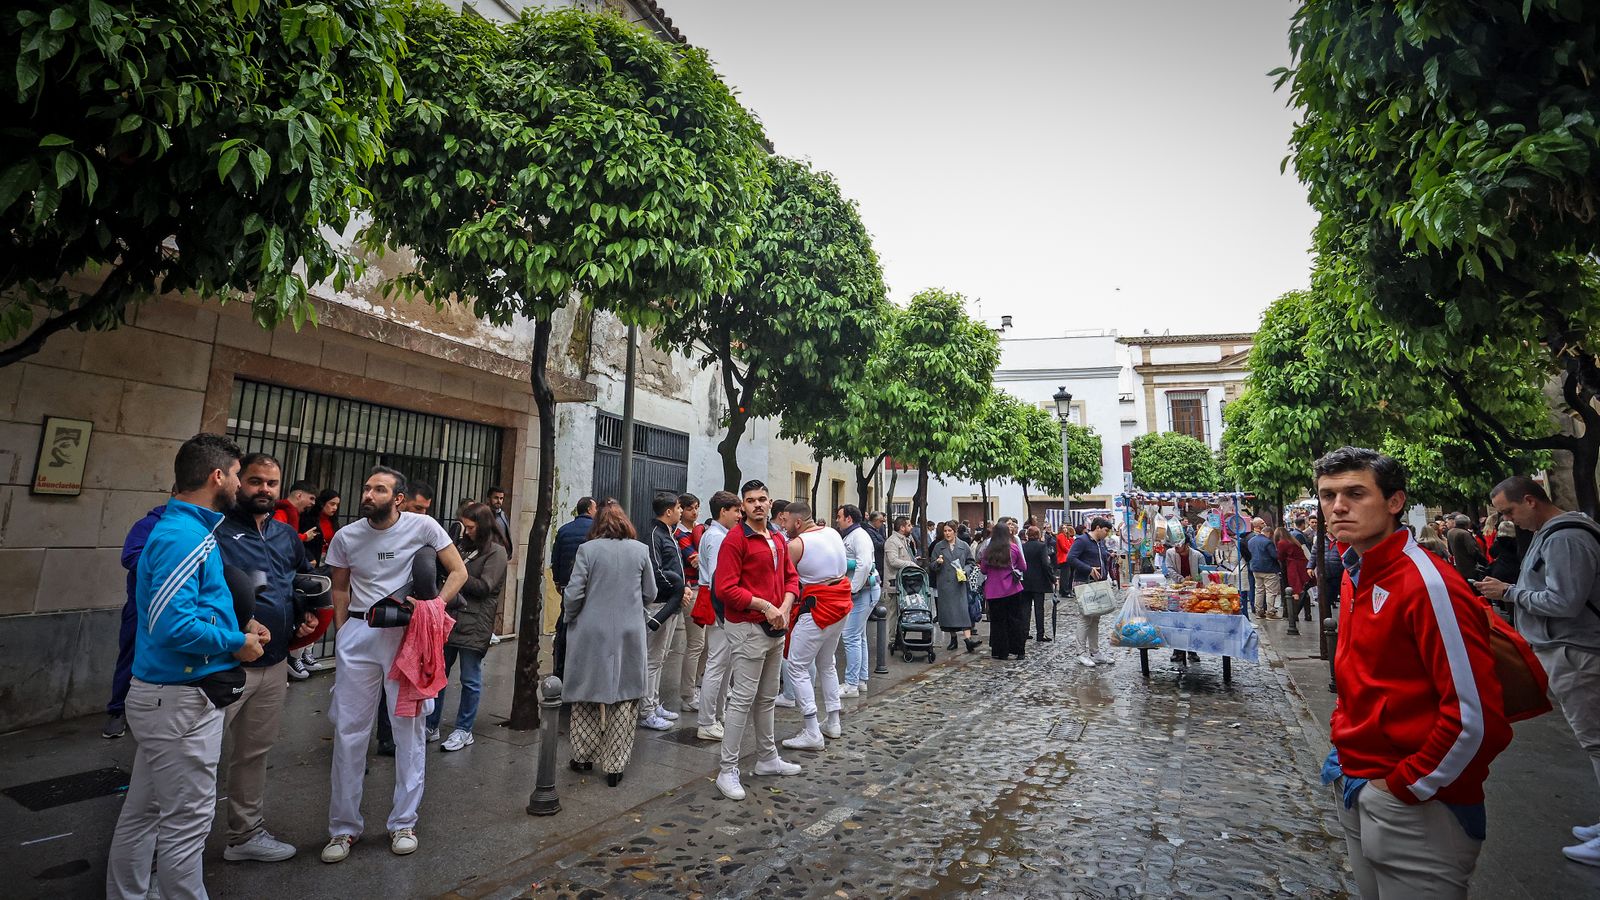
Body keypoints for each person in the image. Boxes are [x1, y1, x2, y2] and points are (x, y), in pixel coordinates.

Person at [1315, 447, 1511, 898]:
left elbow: (1476, 717)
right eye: (1328, 495)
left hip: (1417, 803)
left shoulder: (1427, 583)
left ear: (1395, 501)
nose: (1337, 506)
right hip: (1357, 779)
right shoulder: (1355, 571)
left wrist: (1402, 785)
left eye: (1355, 493)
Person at [106, 434, 266, 900]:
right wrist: (238, 643)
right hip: (181, 700)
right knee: (187, 824)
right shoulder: (184, 535)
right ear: (218, 476)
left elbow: (187, 607)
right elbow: (171, 625)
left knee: (144, 814)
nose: (239, 483)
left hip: (170, 697)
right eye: (237, 474)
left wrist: (241, 624)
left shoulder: (192, 531)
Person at [321, 466, 467, 864]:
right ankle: (342, 829)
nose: (368, 494)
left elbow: (458, 571)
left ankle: (404, 822)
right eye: (366, 487)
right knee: (350, 732)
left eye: (379, 489)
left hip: (406, 638)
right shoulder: (346, 536)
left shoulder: (424, 527)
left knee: (409, 729)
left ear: (398, 498)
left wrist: (435, 605)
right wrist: (342, 633)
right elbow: (339, 586)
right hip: (357, 635)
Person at [1475, 476, 1600, 865]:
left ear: (1530, 500)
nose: (1508, 519)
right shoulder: (1556, 533)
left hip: (1576, 650)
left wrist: (1509, 592)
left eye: (1509, 511)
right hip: (1570, 647)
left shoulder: (1564, 537)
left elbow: (1564, 601)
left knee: (1596, 739)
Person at [212, 453, 317, 863]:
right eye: (255, 481)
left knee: (254, 753)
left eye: (272, 483)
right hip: (224, 664)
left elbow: (298, 581)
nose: (264, 490)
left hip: (273, 664)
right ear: (239, 484)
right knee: (195, 760)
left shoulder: (286, 535)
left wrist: (305, 615)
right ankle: (159, 857)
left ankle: (245, 835)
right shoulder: (216, 531)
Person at [712, 480, 803, 801]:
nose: (758, 505)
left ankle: (767, 758)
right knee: (742, 699)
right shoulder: (736, 540)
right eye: (751, 501)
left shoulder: (778, 537)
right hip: (749, 628)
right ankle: (727, 770)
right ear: (743, 507)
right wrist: (765, 606)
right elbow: (725, 589)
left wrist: (785, 607)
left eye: (762, 499)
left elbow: (792, 578)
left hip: (777, 626)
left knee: (767, 698)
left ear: (770, 502)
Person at [560, 503, 654, 786]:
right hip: (629, 632)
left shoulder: (587, 550)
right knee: (625, 697)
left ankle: (583, 756)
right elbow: (651, 591)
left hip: (591, 631)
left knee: (587, 692)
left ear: (596, 524)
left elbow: (574, 592)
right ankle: (615, 766)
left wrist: (570, 617)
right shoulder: (640, 550)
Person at [428, 502, 507, 752]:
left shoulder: (496, 552)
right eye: (464, 526)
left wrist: (458, 576)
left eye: (471, 527)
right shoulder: (461, 546)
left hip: (475, 620)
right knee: (439, 674)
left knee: (470, 678)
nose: (466, 531)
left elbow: (485, 587)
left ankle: (464, 729)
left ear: (482, 527)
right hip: (451, 618)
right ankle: (431, 725)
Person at [780, 501, 852, 750]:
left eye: (786, 521)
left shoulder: (796, 544)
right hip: (841, 604)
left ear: (797, 522)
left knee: (796, 667)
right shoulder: (831, 531)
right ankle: (833, 721)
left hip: (818, 608)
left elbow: (784, 579)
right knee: (826, 663)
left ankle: (812, 730)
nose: (784, 526)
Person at [103, 500, 169, 739]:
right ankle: (117, 710)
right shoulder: (149, 524)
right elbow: (130, 556)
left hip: (177, 607)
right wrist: (169, 564)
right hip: (143, 605)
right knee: (130, 654)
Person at [694, 491, 741, 741]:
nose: (739, 515)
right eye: (736, 511)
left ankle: (717, 714)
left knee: (723, 664)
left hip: (719, 605)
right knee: (717, 663)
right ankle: (706, 721)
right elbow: (717, 578)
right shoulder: (716, 538)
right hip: (719, 606)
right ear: (723, 511)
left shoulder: (717, 535)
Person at [641, 492, 687, 731]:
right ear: (668, 511)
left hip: (672, 603)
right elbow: (656, 572)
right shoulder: (654, 535)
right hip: (660, 604)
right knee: (652, 659)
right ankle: (646, 710)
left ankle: (654, 703)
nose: (681, 511)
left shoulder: (667, 533)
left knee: (660, 658)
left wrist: (682, 589)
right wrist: (678, 589)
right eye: (679, 508)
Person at [551, 497, 597, 681]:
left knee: (565, 622)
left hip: (567, 585)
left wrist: (557, 581)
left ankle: (561, 667)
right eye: (595, 508)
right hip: (589, 587)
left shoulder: (563, 530)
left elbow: (556, 559)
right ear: (588, 509)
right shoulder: (595, 530)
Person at [837, 504, 878, 696]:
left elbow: (864, 564)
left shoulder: (858, 536)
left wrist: (852, 589)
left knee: (850, 636)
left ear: (849, 519)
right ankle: (861, 680)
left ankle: (851, 684)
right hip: (864, 590)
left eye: (839, 516)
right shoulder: (854, 535)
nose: (837, 520)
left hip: (863, 592)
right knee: (858, 636)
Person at [673, 493, 706, 714]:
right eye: (690, 508)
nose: (694, 512)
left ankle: (698, 686)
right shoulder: (680, 534)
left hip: (700, 589)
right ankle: (688, 694)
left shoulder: (700, 531)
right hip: (690, 589)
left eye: (696, 507)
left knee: (705, 644)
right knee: (696, 643)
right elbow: (693, 559)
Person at [1068, 517, 1116, 667]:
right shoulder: (1082, 541)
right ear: (1097, 528)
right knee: (1085, 618)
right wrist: (1089, 569)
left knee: (1095, 618)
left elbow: (1101, 558)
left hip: (1097, 584)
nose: (1107, 534)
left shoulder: (1100, 543)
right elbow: (1071, 558)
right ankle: (1080, 653)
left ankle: (1095, 652)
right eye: (1106, 531)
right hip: (1084, 583)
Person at [981, 519, 1029, 660]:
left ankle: (1001, 651)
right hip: (1012, 590)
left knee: (998, 623)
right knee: (1015, 620)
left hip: (994, 592)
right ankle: (1019, 650)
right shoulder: (1013, 548)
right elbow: (1023, 566)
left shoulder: (988, 551)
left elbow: (983, 570)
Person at [928, 522, 978, 652]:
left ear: (955, 532)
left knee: (963, 612)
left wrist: (965, 571)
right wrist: (937, 563)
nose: (947, 533)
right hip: (945, 584)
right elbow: (931, 566)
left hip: (959, 584)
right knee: (949, 613)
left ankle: (968, 640)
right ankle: (953, 638)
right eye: (945, 531)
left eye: (950, 530)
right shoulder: (939, 547)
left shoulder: (963, 546)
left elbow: (971, 562)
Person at [1021, 525, 1056, 642]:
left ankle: (1025, 632)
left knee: (1026, 608)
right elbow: (1045, 564)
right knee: (1039, 609)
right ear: (1038, 535)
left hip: (1025, 581)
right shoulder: (1041, 546)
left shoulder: (1023, 547)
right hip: (1039, 581)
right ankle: (1040, 634)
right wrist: (1052, 578)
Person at [1246, 517, 1283, 618]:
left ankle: (1259, 611)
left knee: (1259, 590)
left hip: (1255, 569)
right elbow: (1275, 556)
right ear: (1269, 534)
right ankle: (1270, 612)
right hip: (1269, 570)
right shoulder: (1268, 542)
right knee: (1270, 591)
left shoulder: (1251, 540)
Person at [1275, 526, 1311, 623]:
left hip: (1294, 567)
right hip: (1303, 565)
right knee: (1304, 589)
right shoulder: (1293, 540)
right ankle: (1308, 614)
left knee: (1296, 590)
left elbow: (1280, 556)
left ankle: (1294, 615)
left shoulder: (1282, 543)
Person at [884, 515, 916, 614]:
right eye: (909, 525)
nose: (912, 528)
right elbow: (893, 561)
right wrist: (910, 563)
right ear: (902, 528)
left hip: (902, 583)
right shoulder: (892, 541)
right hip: (893, 585)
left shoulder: (904, 540)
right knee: (893, 615)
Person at [1446, 513, 1487, 582]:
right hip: (1470, 567)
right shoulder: (1464, 534)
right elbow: (1473, 551)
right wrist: (1485, 562)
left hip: (1459, 567)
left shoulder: (1450, 532)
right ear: (1467, 524)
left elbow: (1450, 550)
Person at [485, 485, 512, 557]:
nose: (499, 501)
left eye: (501, 498)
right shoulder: (483, 514)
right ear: (488, 499)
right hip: (488, 553)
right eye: (496, 498)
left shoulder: (503, 515)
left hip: (502, 553)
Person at [1055, 521, 1075, 599]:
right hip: (1064, 558)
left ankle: (1065, 590)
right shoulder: (1060, 536)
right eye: (1063, 528)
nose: (1065, 529)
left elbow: (1070, 545)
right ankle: (1065, 591)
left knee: (1068, 575)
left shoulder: (1066, 537)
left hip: (1067, 557)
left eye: (1066, 528)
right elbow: (1064, 547)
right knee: (1065, 576)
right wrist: (1070, 551)